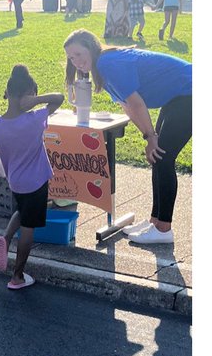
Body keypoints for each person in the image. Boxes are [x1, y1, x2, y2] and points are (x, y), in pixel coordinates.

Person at [64, 30, 191, 246]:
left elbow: (137, 104)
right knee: (157, 158)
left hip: (190, 93)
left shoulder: (107, 64)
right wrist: (148, 137)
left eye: (78, 53)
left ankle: (163, 229)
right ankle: (155, 222)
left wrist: (152, 136)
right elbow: (128, 105)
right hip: (177, 96)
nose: (75, 61)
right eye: (70, 57)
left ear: (91, 47)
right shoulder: (102, 66)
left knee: (162, 158)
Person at [0, 65, 64, 290]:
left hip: (15, 182)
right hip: (36, 182)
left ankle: (5, 238)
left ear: (6, 93)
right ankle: (17, 276)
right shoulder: (35, 118)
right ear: (30, 94)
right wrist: (35, 101)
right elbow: (59, 98)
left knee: (22, 211)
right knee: (28, 228)